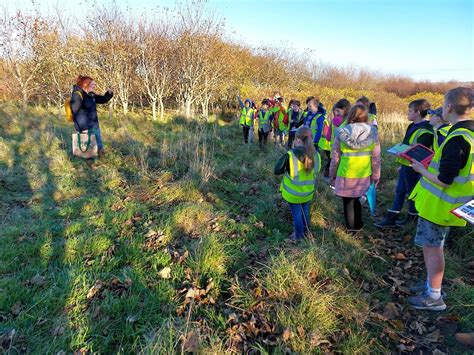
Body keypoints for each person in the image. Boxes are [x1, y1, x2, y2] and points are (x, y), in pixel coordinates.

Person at [406, 87, 473, 311]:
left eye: (443, 105)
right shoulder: (468, 134)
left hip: (440, 205)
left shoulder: (457, 138)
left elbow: (445, 179)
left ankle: (434, 297)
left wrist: (420, 169)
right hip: (450, 205)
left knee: (432, 248)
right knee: (436, 246)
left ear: (450, 107)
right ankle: (430, 286)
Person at [375, 99, 434, 228]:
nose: (407, 113)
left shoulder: (427, 130)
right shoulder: (412, 125)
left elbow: (420, 152)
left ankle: (411, 220)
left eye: (409, 111)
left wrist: (404, 154)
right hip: (405, 164)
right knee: (400, 190)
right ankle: (392, 218)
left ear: (418, 112)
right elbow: (407, 143)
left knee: (411, 193)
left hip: (414, 167)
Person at [330, 104, 381, 233]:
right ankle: (358, 226)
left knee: (348, 203)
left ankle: (351, 230)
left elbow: (335, 158)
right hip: (363, 174)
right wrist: (376, 175)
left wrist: (332, 174)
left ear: (351, 115)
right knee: (358, 199)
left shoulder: (342, 132)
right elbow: (376, 159)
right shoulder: (373, 133)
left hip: (345, 173)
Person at [274, 126, 321, 241]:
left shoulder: (291, 155)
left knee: (297, 215)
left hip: (293, 194)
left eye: (295, 139)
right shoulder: (317, 155)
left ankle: (298, 236)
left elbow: (277, 170)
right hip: (308, 192)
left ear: (298, 140)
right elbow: (317, 170)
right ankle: (307, 232)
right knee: (305, 212)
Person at [70, 75, 113, 158]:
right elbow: (76, 113)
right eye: (93, 85)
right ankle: (87, 164)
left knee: (99, 144)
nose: (94, 86)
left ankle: (102, 161)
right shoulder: (77, 95)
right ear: (86, 85)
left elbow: (101, 99)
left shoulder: (90, 94)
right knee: (87, 147)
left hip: (94, 125)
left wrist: (109, 94)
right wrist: (84, 128)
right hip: (85, 127)